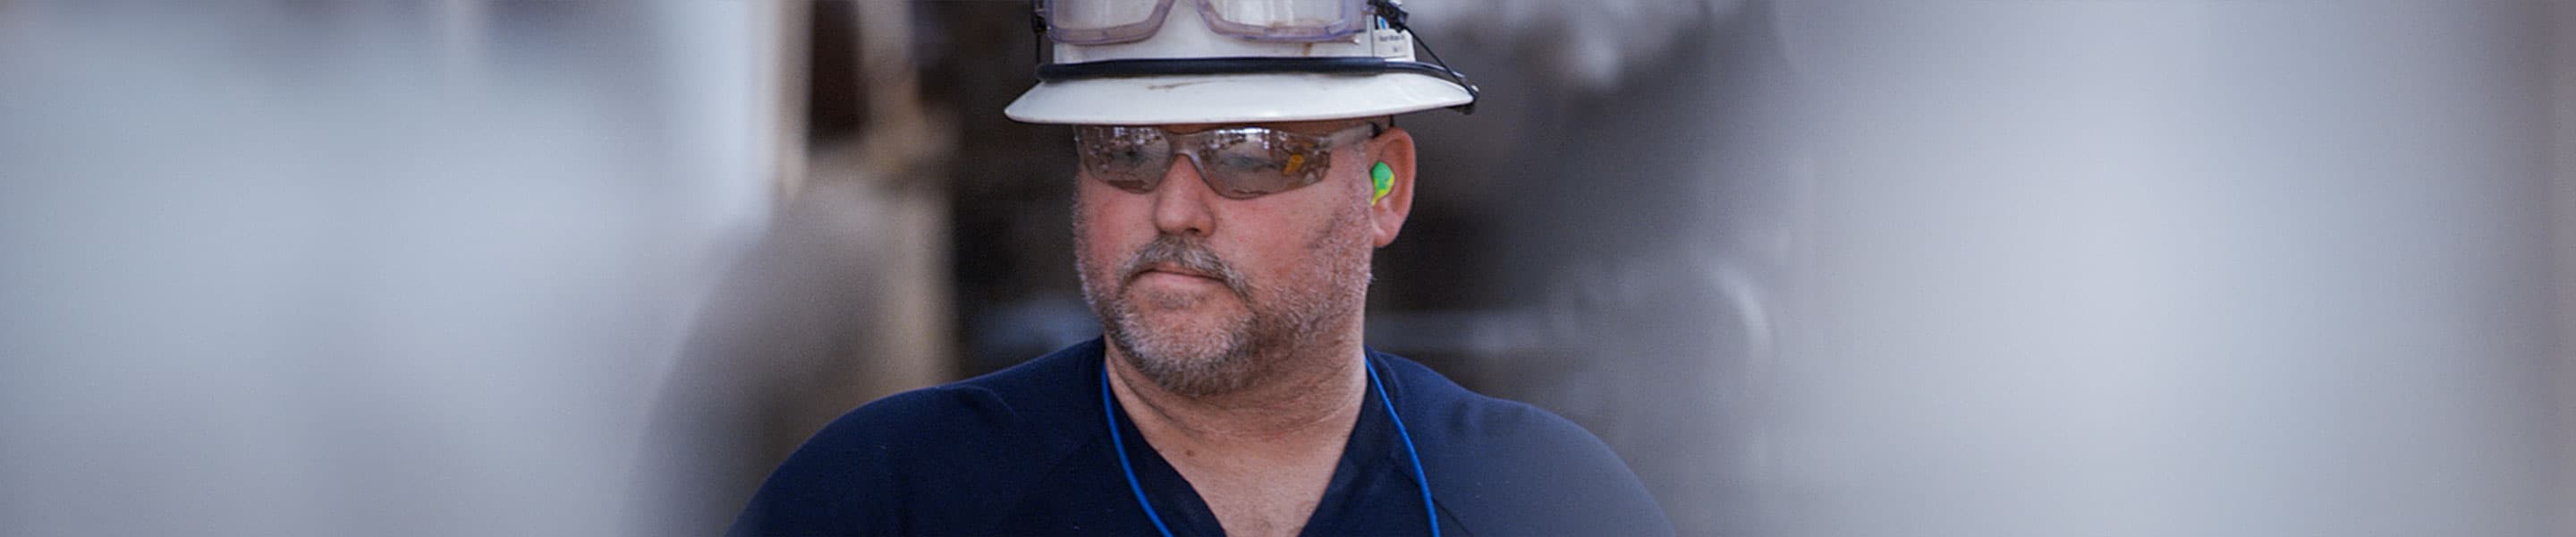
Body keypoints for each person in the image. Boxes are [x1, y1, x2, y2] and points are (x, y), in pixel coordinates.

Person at [730, 1, 1671, 535]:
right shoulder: (888, 498)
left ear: (1383, 188)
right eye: (1125, 148)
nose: (1174, 207)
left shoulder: (1545, 503)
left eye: (1250, 151)